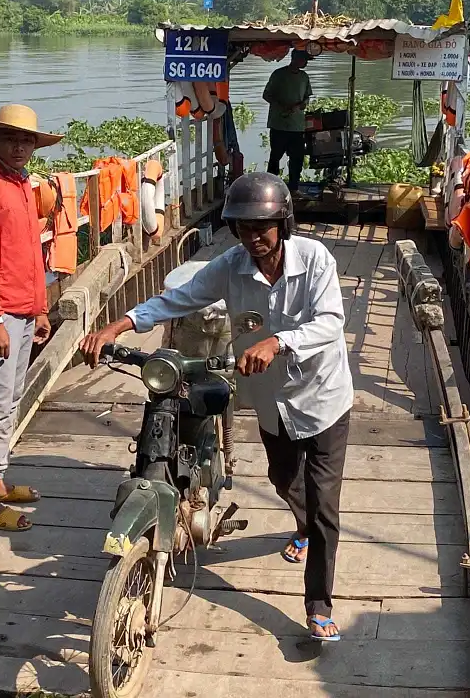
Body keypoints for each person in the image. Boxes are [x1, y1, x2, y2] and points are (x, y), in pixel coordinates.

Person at [80, 172, 354, 642]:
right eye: (243, 229)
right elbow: (177, 298)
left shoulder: (315, 261)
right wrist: (120, 325)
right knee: (284, 480)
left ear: (283, 222)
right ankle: (303, 526)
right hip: (271, 402)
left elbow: (330, 322)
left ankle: (317, 603)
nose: (254, 238)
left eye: (262, 228)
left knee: (325, 503)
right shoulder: (230, 266)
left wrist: (278, 341)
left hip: (323, 399)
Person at [0, 104, 62, 532]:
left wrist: (39, 309)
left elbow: (29, 254)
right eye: (12, 139)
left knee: (12, 398)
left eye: (28, 140)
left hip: (24, 308)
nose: (21, 146)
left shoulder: (22, 184)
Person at [263, 48, 313, 194]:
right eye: (304, 60)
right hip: (279, 124)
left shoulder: (304, 77)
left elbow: (307, 97)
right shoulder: (278, 74)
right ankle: (270, 187)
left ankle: (294, 188)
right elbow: (266, 95)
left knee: (297, 159)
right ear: (295, 58)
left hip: (297, 126)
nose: (305, 63)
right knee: (275, 157)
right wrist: (281, 105)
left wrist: (303, 104)